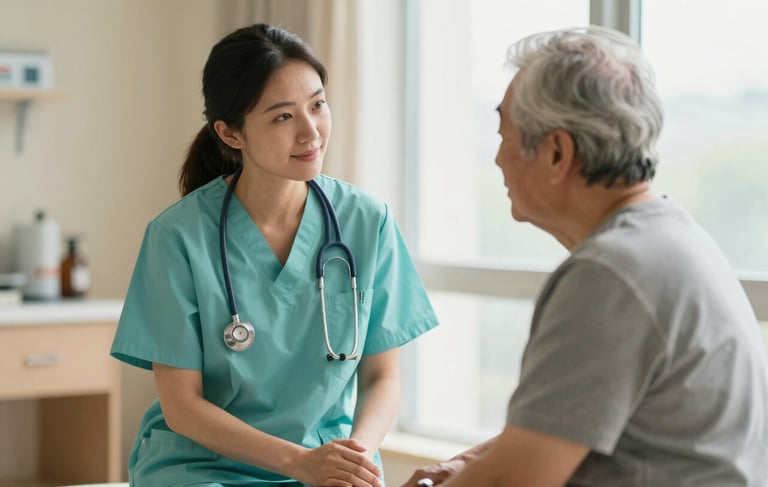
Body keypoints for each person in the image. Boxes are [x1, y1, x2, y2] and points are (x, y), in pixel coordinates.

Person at [401, 25, 768, 487]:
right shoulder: (667, 239)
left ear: (557, 152)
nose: (497, 159)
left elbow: (513, 484)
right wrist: (464, 466)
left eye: (505, 135)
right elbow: (573, 422)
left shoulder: (610, 274)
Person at [110, 23, 438, 486]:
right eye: (283, 117)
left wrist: (353, 461)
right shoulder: (178, 237)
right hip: (203, 466)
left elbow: (383, 376)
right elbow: (182, 407)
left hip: (326, 461)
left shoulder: (368, 222)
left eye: (318, 105)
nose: (311, 132)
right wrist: (298, 464)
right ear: (230, 133)